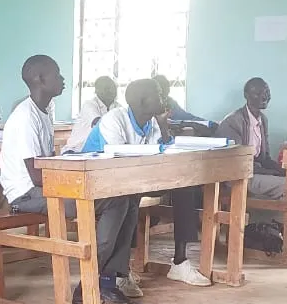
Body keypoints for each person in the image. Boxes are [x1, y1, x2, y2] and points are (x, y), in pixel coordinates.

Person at [1, 55, 145, 304]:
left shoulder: (45, 110)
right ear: (39, 79)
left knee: (127, 198)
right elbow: (36, 175)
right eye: (57, 74)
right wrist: (76, 182)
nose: (63, 79)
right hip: (26, 194)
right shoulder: (24, 117)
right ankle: (91, 285)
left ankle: (109, 281)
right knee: (115, 201)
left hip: (45, 186)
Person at [77, 79, 212, 287]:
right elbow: (120, 165)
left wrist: (164, 126)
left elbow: (165, 152)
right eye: (158, 94)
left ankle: (179, 262)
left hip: (136, 179)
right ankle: (119, 272)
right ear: (141, 101)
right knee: (128, 196)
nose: (163, 97)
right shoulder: (114, 120)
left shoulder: (151, 122)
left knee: (184, 184)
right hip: (100, 184)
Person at [216, 78, 287, 200]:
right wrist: (269, 173)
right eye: (258, 94)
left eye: (266, 92)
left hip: (257, 171)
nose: (264, 97)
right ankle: (284, 219)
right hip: (239, 176)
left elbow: (265, 158)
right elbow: (237, 163)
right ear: (246, 96)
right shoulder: (233, 122)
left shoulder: (263, 120)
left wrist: (282, 170)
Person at [63, 76, 119, 153]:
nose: (111, 91)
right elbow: (99, 124)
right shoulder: (89, 104)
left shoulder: (117, 107)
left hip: (96, 152)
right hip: (76, 151)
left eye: (114, 88)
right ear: (97, 91)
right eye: (107, 88)